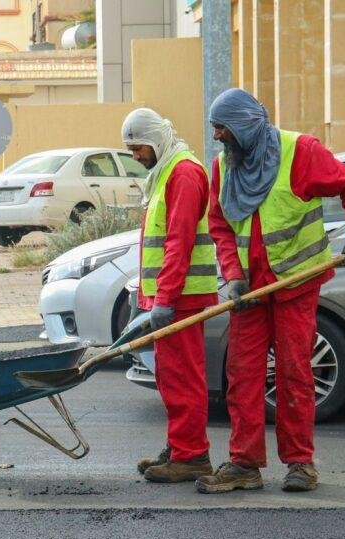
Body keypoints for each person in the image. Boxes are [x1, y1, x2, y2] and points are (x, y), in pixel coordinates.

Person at [197, 89, 345, 494]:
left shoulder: (301, 152)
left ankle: (300, 463)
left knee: (295, 372)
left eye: (222, 128)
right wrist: (233, 274)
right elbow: (220, 225)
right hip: (250, 292)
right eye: (215, 128)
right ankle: (244, 464)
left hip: (295, 284)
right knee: (242, 376)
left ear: (245, 125)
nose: (217, 136)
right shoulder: (224, 167)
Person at [121, 108, 218, 483]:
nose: (136, 156)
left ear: (156, 140)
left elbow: (179, 242)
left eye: (139, 148)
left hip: (182, 299)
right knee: (170, 377)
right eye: (131, 149)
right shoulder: (166, 172)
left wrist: (165, 297)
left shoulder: (184, 173)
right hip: (172, 297)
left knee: (183, 378)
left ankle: (191, 456)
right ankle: (181, 447)